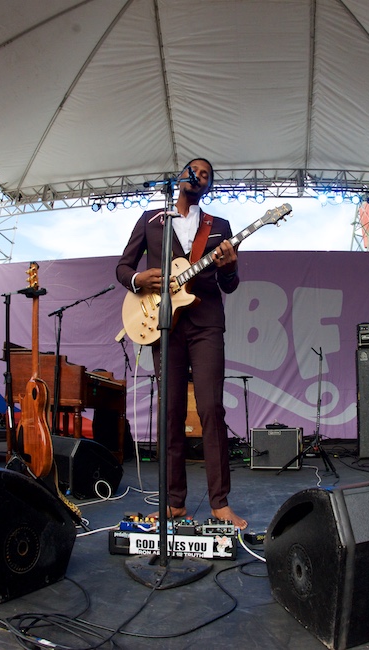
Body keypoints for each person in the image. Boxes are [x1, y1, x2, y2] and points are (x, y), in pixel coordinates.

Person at [115, 157, 247, 529]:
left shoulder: (219, 227)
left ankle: (219, 503)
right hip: (163, 324)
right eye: (195, 171)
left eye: (207, 175)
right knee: (169, 412)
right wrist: (140, 280)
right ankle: (174, 502)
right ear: (181, 177)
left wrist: (230, 266)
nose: (200, 176)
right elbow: (123, 268)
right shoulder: (151, 220)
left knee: (210, 410)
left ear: (209, 186)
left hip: (205, 324)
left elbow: (230, 285)